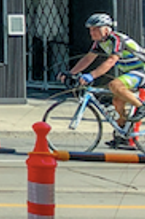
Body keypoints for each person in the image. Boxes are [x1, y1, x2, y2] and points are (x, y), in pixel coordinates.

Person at [62, 13, 145, 148]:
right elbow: (88, 58)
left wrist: (92, 75)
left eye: (95, 29)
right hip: (131, 72)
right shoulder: (99, 43)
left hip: (142, 69)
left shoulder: (116, 39)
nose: (92, 32)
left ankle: (141, 107)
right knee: (117, 101)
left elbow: (111, 61)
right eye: (90, 30)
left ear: (106, 29)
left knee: (115, 85)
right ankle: (124, 135)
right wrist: (71, 73)